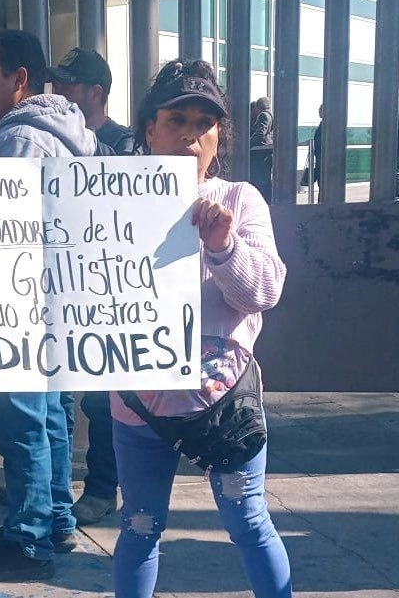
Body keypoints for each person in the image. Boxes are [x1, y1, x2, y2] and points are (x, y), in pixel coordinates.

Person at [111, 58, 291, 598]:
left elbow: (264, 293)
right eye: (175, 119)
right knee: (139, 529)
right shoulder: (107, 198)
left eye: (203, 123)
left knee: (248, 521)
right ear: (149, 129)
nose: (189, 134)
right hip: (137, 403)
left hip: (222, 404)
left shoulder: (241, 201)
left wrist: (223, 247)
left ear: (219, 137)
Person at [0, 29, 102, 582]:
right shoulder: (69, 133)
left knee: (21, 425)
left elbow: (0, 235)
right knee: (51, 420)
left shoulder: (19, 142)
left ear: (20, 80)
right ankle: (56, 519)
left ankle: (28, 537)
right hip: (61, 303)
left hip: (17, 307)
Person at [47, 45, 134, 525]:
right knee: (56, 393)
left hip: (108, 293)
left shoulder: (124, 145)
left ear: (95, 92)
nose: (56, 92)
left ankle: (102, 489)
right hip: (61, 289)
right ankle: (52, 487)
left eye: (67, 84)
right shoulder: (51, 140)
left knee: (104, 401)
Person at [48, 47, 135, 156]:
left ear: (95, 93)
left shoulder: (123, 143)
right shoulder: (49, 136)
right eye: (55, 86)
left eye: (66, 88)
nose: (56, 94)